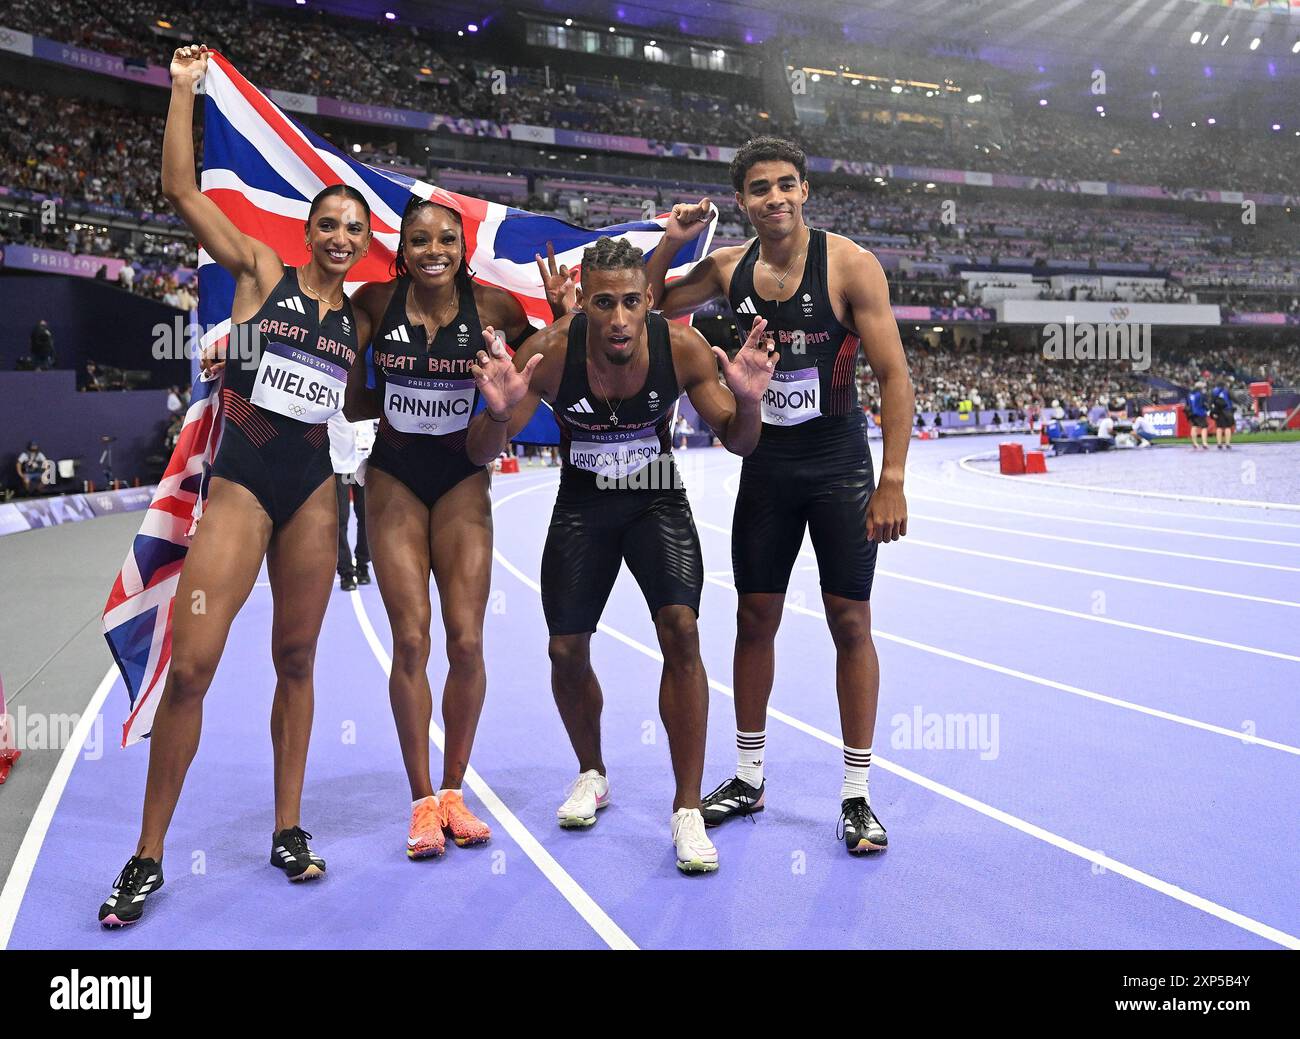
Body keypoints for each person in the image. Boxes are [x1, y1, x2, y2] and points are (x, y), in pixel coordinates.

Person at [97, 45, 371, 928]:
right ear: (309, 231)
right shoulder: (262, 272)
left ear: (364, 245)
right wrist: (182, 91)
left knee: (297, 659)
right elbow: (182, 191)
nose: (339, 237)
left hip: (312, 494)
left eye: (353, 231)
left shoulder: (358, 320)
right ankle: (147, 856)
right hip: (245, 484)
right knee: (195, 668)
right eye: (328, 223)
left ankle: (288, 828)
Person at [470, 236, 777, 874]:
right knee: (564, 650)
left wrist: (748, 401)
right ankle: (592, 772)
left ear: (648, 305)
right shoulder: (551, 354)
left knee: (682, 630)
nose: (616, 319)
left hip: (655, 495)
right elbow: (479, 450)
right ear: (582, 303)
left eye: (630, 303)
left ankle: (687, 808)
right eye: (603, 303)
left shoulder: (684, 348)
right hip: (583, 500)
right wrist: (497, 416)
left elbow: (741, 443)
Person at [642, 136, 913, 855]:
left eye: (787, 185)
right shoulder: (726, 266)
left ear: (805, 192)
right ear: (742, 201)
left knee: (849, 621)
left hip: (837, 463)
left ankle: (856, 795)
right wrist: (672, 242)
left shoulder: (850, 266)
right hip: (766, 463)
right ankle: (749, 775)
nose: (775, 198)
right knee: (754, 616)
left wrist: (891, 480)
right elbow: (639, 305)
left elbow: (894, 377)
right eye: (760, 188)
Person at [344, 210, 573, 860]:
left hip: (463, 474)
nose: (434, 249)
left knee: (467, 641)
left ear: (464, 247)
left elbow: (541, 363)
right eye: (421, 239)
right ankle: (421, 800)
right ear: (403, 248)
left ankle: (454, 791)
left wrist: (559, 317)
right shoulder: (376, 301)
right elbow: (344, 374)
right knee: (411, 637)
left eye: (447, 239)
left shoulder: (494, 304)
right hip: (394, 474)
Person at [327, 412, 375, 592]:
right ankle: (345, 571)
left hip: (363, 466)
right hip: (339, 467)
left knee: (365, 517)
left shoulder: (365, 400)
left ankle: (363, 564)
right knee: (341, 520)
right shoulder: (336, 399)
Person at [1211, 381, 1235, 449]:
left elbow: (1211, 402)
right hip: (1227, 410)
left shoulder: (1213, 391)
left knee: (1219, 427)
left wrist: (1214, 412)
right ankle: (1227, 443)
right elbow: (1233, 398)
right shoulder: (1227, 391)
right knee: (1227, 427)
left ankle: (1219, 443)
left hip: (1218, 411)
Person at [1186, 380, 1210, 450]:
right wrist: (1207, 409)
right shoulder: (1201, 394)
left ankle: (1195, 443)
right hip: (1200, 412)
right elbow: (1203, 403)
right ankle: (1204, 443)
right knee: (1204, 427)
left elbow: (1188, 404)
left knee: (1194, 426)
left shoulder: (1190, 394)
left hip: (1192, 412)